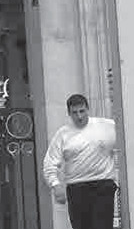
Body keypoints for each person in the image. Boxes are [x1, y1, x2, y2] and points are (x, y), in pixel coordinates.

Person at [43, 93, 119, 229]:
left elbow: (126, 145)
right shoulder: (63, 134)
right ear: (69, 113)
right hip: (77, 188)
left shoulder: (107, 127)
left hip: (103, 185)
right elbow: (50, 162)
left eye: (82, 111)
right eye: (75, 112)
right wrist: (55, 185)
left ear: (87, 109)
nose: (79, 116)